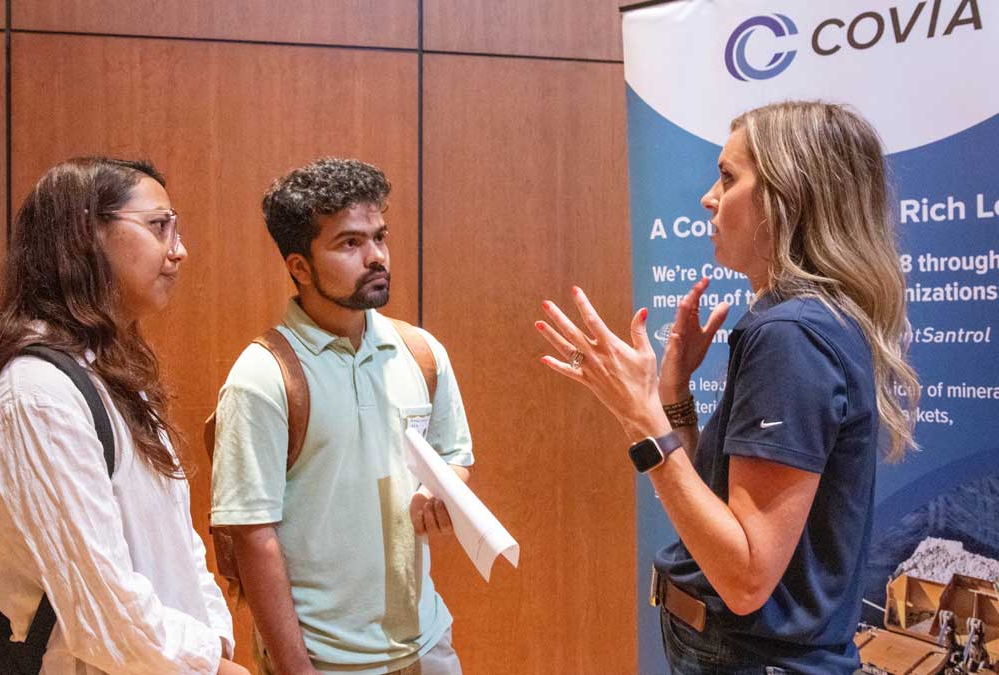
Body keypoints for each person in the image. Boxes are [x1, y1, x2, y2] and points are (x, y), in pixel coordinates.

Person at [536, 102, 919, 674]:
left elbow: (744, 578)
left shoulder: (791, 332)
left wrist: (640, 419)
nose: (708, 198)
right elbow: (715, 517)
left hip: (748, 657)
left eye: (728, 177)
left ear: (788, 197)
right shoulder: (799, 318)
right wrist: (673, 393)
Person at [0, 157, 246, 674]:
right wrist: (210, 664)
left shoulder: (109, 372)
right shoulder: (34, 398)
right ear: (86, 236)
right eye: (159, 227)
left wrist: (215, 641)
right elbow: (99, 608)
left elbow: (178, 541)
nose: (179, 250)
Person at [210, 158, 473, 675]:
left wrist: (443, 489)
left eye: (379, 236)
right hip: (325, 661)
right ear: (299, 267)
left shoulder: (419, 352)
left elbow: (455, 459)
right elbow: (251, 537)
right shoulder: (262, 376)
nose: (376, 257)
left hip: (428, 645)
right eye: (349, 244)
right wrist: (296, 668)